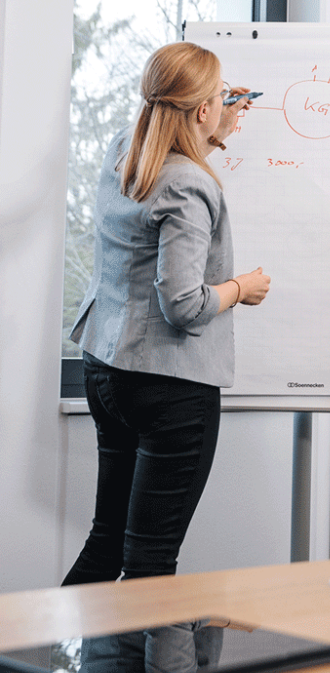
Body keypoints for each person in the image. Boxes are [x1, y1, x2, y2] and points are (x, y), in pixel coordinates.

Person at [62, 42, 271, 584]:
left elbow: (167, 154)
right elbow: (183, 304)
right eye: (222, 96)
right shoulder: (189, 184)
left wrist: (212, 126)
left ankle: (35, 663)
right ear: (201, 109)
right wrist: (240, 288)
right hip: (169, 387)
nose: (229, 104)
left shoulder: (122, 151)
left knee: (106, 542)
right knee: (151, 561)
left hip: (106, 370)